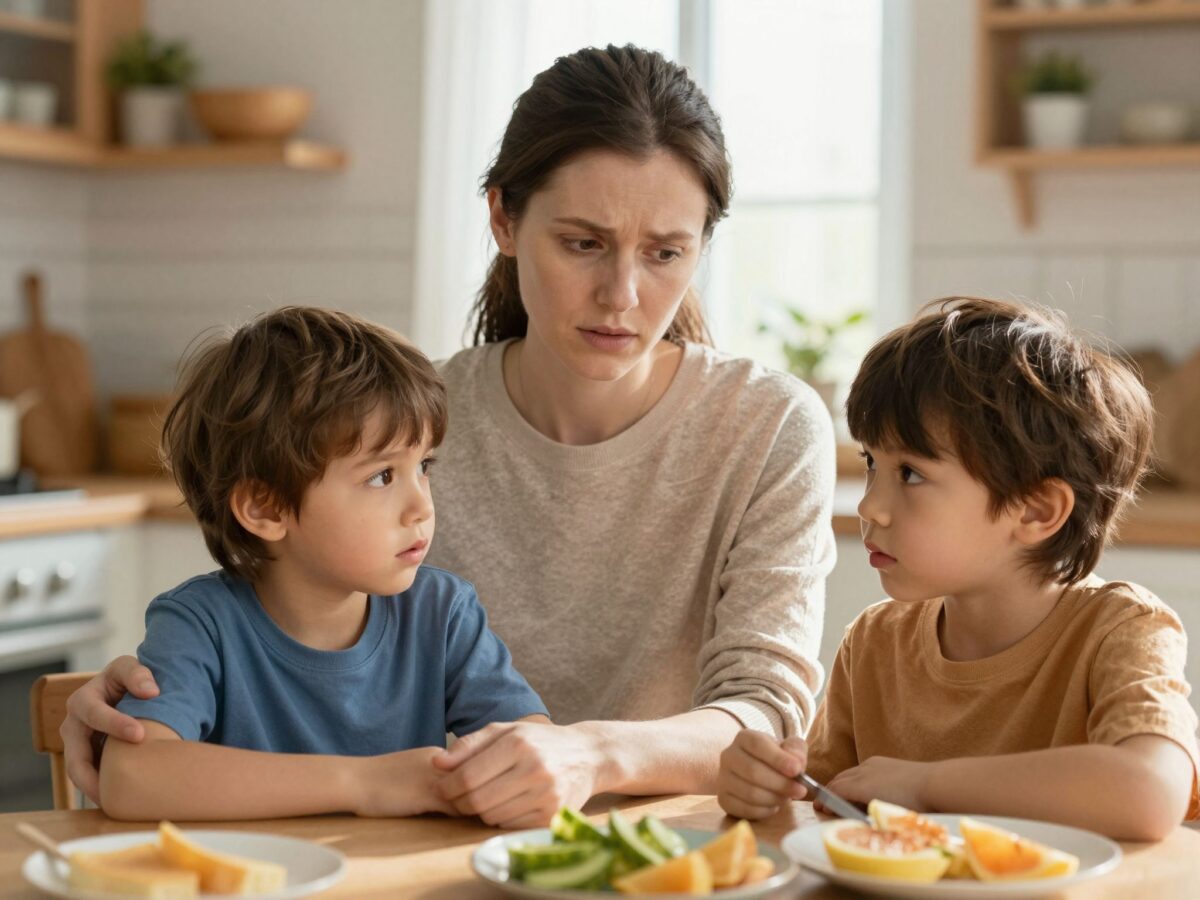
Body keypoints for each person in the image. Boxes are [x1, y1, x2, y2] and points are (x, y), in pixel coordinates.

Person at [63, 45, 836, 828]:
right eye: (583, 243)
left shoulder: (768, 426)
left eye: (667, 253)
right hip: (435, 859)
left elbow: (764, 715)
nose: (623, 295)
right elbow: (264, 629)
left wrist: (591, 753)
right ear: (504, 217)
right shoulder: (400, 426)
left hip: (666, 854)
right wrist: (127, 716)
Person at [716, 297, 1199, 841]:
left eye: (912, 475)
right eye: (873, 464)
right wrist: (766, 787)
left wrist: (928, 786)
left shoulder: (1122, 629)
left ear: (1037, 510)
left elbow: (1149, 793)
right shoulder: (875, 644)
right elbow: (826, 811)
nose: (871, 506)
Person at [97, 307, 548, 821]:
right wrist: (365, 783)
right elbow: (131, 776)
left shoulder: (443, 615)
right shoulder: (200, 624)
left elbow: (536, 752)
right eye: (382, 476)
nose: (422, 505)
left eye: (423, 466)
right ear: (266, 508)